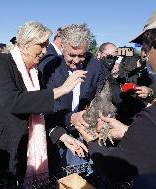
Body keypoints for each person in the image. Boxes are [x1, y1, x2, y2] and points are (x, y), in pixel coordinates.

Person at [75, 3, 156, 189]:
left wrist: (90, 138)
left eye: (146, 51)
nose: (146, 58)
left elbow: (117, 168)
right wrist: (128, 131)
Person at [0, 21, 87, 188]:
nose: (45, 51)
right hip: (1, 149)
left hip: (26, 151)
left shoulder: (35, 73)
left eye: (46, 46)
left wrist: (62, 135)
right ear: (25, 45)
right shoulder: (0, 62)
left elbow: (40, 112)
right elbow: (13, 101)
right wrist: (62, 89)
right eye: (41, 45)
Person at [41, 24, 106, 167]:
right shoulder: (50, 68)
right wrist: (70, 118)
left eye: (81, 55)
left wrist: (93, 117)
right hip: (55, 132)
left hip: (85, 133)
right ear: (62, 46)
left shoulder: (96, 67)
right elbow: (45, 105)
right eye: (71, 55)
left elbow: (101, 97)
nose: (76, 61)